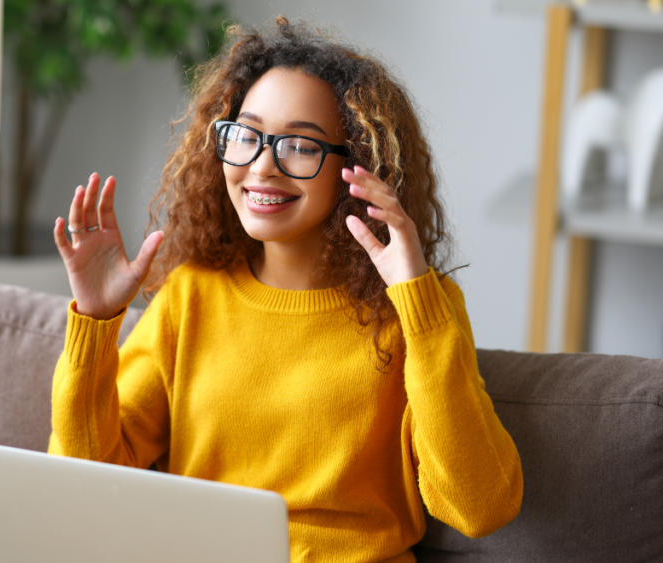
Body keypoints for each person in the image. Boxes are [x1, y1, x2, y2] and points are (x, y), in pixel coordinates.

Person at [48, 16, 522, 563]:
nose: (262, 166)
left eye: (299, 145)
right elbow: (87, 482)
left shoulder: (418, 309)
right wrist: (95, 322)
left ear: (360, 165)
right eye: (245, 136)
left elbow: (481, 506)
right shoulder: (190, 296)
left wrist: (416, 300)